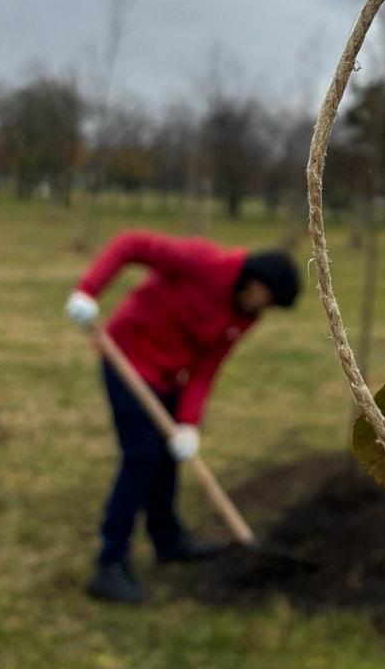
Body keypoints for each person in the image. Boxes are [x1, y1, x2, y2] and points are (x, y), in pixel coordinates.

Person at [63, 230, 300, 604]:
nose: (262, 309)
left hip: (170, 375)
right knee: (142, 456)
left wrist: (188, 422)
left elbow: (207, 367)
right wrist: (88, 290)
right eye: (266, 299)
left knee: (166, 460)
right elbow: (132, 245)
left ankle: (168, 541)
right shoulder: (205, 263)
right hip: (127, 357)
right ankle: (109, 563)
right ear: (256, 282)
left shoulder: (244, 316)